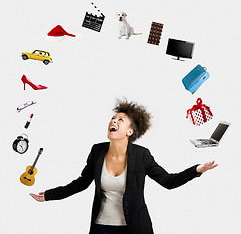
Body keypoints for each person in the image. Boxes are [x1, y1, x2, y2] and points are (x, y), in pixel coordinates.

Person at [30, 99, 218, 234]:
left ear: (130, 131)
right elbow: (80, 184)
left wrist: (196, 170)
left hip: (134, 228)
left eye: (120, 120)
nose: (114, 121)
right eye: (113, 118)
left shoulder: (142, 155)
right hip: (101, 226)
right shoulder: (97, 151)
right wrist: (48, 195)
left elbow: (167, 181)